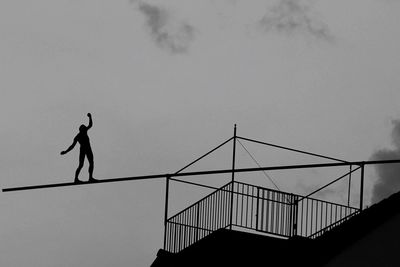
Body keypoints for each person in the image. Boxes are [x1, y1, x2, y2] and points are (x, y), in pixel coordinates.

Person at [61, 113, 96, 183]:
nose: (84, 131)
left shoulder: (85, 131)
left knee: (91, 163)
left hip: (88, 149)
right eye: (83, 130)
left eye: (84, 129)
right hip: (83, 150)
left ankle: (90, 178)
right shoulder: (78, 136)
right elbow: (72, 146)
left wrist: (90, 117)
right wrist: (65, 151)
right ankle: (76, 179)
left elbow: (90, 125)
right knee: (81, 165)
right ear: (80, 130)